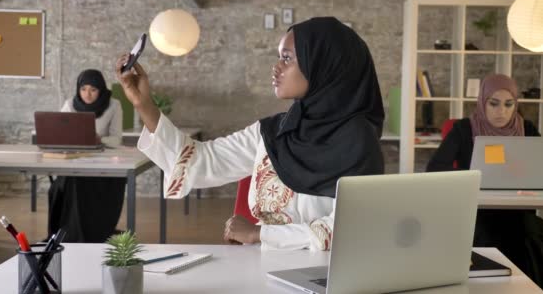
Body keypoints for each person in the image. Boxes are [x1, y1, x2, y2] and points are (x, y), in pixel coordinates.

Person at [115, 17, 384, 250]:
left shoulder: (359, 143)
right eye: (279, 57)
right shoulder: (274, 133)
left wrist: (259, 233)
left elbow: (349, 229)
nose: (276, 68)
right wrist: (144, 105)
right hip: (261, 272)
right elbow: (201, 161)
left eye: (287, 58)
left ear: (324, 66)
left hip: (325, 279)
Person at [426, 74, 543, 290]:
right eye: (493, 104)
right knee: (488, 233)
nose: (501, 111)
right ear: (482, 102)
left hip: (518, 212)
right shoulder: (464, 129)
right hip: (478, 211)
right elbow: (435, 168)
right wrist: (475, 175)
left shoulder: (527, 129)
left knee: (527, 237)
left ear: (516, 104)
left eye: (508, 104)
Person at [47, 69, 125, 242]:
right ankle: (68, 234)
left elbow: (117, 140)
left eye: (93, 89)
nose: (87, 94)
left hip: (102, 165)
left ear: (101, 89)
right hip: (75, 160)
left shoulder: (114, 105)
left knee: (81, 185)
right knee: (68, 183)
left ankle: (90, 233)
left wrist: (99, 139)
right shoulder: (70, 104)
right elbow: (58, 131)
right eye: (83, 89)